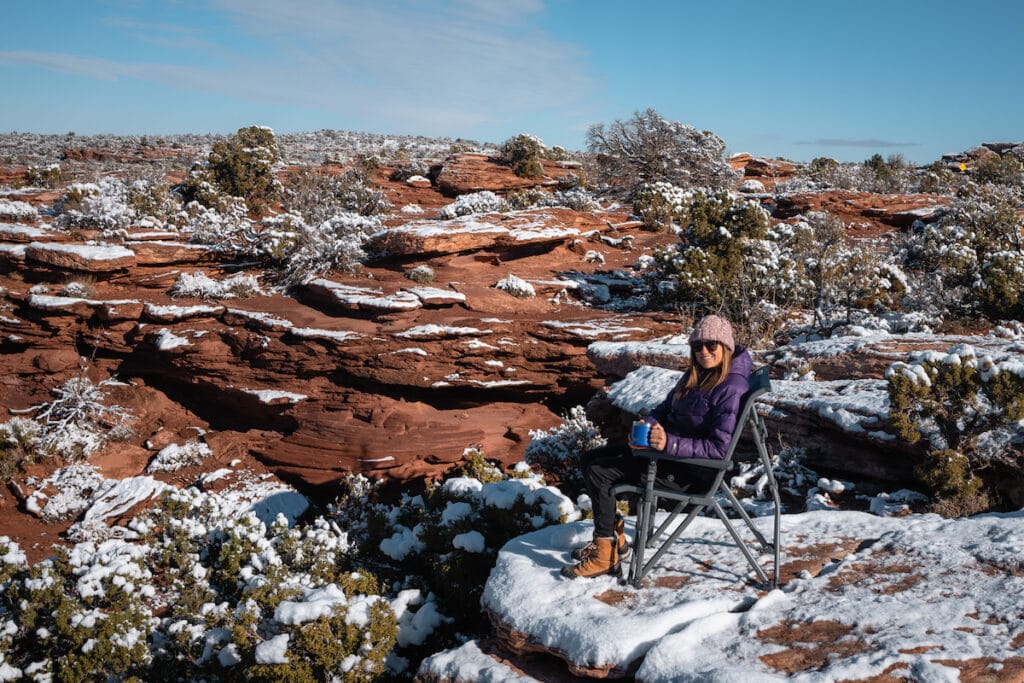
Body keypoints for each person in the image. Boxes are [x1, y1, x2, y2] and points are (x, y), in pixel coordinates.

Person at [562, 314, 753, 579]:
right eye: (698, 346)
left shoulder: (731, 387)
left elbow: (718, 449)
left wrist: (668, 443)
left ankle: (605, 556)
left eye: (712, 345)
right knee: (590, 459)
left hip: (692, 472)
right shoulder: (696, 375)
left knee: (600, 472)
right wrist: (648, 426)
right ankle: (614, 540)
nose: (704, 352)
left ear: (726, 347)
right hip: (668, 457)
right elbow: (663, 409)